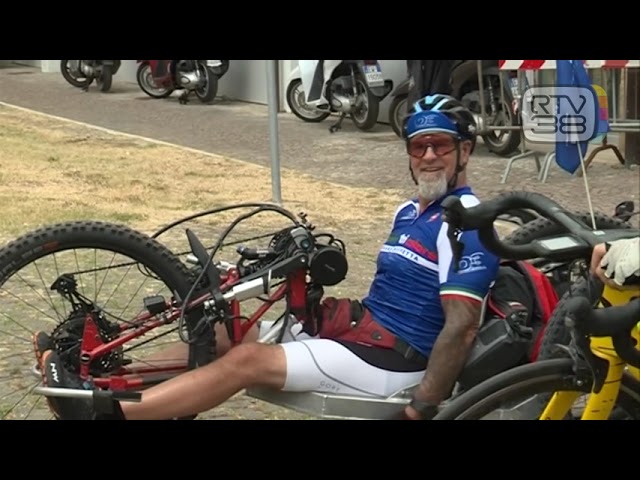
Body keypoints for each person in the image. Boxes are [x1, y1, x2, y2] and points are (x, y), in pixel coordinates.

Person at [32, 94, 502, 421]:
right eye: (419, 146)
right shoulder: (409, 210)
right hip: (362, 332)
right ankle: (99, 379)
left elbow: (461, 325)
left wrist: (424, 404)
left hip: (396, 362)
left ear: (465, 150)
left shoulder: (470, 222)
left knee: (249, 359)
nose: (429, 156)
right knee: (226, 331)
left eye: (441, 145)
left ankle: (107, 413)